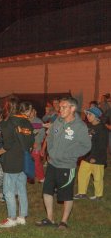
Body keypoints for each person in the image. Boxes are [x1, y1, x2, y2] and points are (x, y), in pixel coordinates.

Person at [36, 97, 91, 229]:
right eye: (60, 107)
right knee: (47, 191)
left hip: (67, 165)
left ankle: (64, 221)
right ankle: (50, 218)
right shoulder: (58, 122)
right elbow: (51, 137)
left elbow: (86, 146)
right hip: (53, 163)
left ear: (72, 108)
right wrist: (51, 152)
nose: (60, 109)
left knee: (66, 194)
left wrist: (68, 155)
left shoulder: (80, 126)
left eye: (64, 107)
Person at [0, 99, 35, 228]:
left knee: (8, 190)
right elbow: (30, 142)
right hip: (23, 159)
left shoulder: (8, 123)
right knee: (21, 188)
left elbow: (8, 143)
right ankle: (22, 216)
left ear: (7, 108)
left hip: (11, 161)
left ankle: (11, 218)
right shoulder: (27, 122)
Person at [74, 107, 108, 200]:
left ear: (96, 117)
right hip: (87, 156)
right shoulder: (88, 126)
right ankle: (82, 193)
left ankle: (98, 195)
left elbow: (102, 146)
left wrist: (95, 157)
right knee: (82, 174)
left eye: (90, 114)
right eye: (87, 114)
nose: (87, 116)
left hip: (97, 158)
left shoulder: (102, 129)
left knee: (97, 178)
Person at [29, 107, 46, 183]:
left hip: (36, 145)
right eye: (29, 112)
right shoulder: (25, 121)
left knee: (37, 162)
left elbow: (42, 133)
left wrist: (38, 142)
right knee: (28, 162)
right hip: (27, 145)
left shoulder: (38, 121)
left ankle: (41, 177)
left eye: (32, 112)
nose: (30, 114)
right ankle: (31, 176)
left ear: (35, 112)